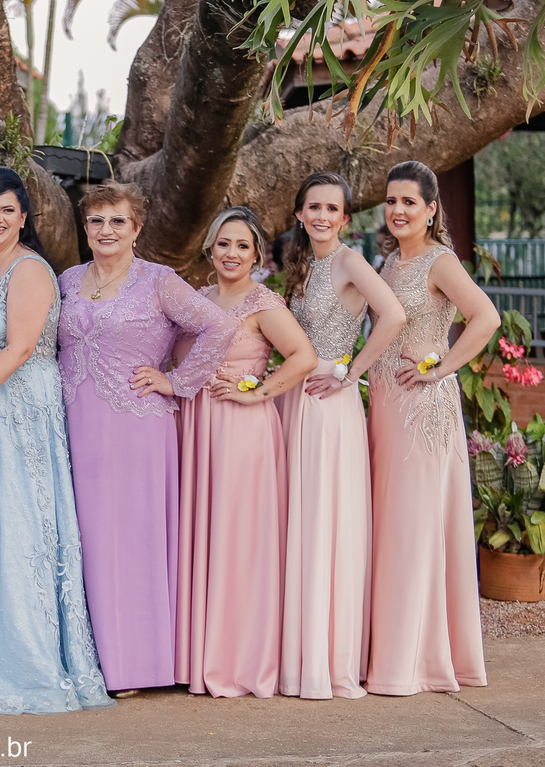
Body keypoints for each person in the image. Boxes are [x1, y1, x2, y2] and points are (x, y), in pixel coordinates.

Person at [0, 168, 109, 715]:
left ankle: (29, 657)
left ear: (24, 217)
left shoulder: (29, 269)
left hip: (23, 403)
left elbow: (21, 347)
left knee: (21, 520)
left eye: (7, 209)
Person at [57, 181, 235, 695]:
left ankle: (135, 664)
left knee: (132, 539)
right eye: (96, 220)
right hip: (75, 424)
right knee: (85, 537)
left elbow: (219, 327)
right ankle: (89, 659)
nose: (106, 230)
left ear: (136, 229)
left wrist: (177, 381)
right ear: (85, 227)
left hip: (136, 426)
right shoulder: (68, 280)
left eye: (118, 220)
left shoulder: (159, 280)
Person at [366, 161, 497, 695]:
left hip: (421, 408)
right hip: (385, 407)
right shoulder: (388, 261)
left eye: (409, 202)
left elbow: (486, 318)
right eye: (391, 201)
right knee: (391, 523)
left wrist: (440, 368)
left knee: (415, 526)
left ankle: (412, 663)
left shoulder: (440, 261)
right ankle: (390, 651)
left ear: (431, 209)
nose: (398, 210)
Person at [175, 207, 317, 699]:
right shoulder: (197, 299)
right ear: (210, 248)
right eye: (223, 243)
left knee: (239, 539)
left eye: (242, 245)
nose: (231, 253)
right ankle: (200, 656)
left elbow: (303, 357)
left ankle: (240, 660)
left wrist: (257, 391)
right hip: (198, 428)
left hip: (242, 431)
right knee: (205, 534)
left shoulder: (263, 302)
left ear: (257, 254)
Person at [279, 172, 404, 700]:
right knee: (298, 520)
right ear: (300, 214)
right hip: (293, 398)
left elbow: (393, 315)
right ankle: (295, 653)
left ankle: (327, 660)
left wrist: (350, 373)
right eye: (315, 207)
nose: (323, 216)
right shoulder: (302, 264)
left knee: (325, 521)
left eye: (333, 209)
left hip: (329, 401)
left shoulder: (350, 261)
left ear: (346, 219)